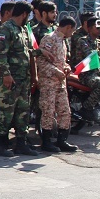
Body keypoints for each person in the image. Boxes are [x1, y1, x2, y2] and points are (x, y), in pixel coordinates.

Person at [0, 1, 48, 157]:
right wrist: (6, 74)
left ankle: (21, 144)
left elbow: (26, 51)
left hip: (23, 79)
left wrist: (41, 52)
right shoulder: (6, 29)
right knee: (6, 112)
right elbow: (1, 54)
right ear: (24, 14)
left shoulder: (23, 29)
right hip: (9, 79)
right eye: (28, 15)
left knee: (23, 112)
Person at [37, 17, 78, 153]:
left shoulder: (62, 40)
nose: (72, 33)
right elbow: (41, 62)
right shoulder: (49, 38)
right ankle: (46, 141)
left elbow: (61, 60)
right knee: (48, 111)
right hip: (48, 82)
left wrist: (66, 67)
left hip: (60, 83)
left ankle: (62, 140)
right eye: (72, 30)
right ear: (68, 27)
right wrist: (56, 71)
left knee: (64, 111)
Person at [70, 17, 100, 120]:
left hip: (97, 73)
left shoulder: (98, 42)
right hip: (85, 73)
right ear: (89, 28)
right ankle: (86, 108)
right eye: (97, 27)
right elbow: (91, 55)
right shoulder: (83, 41)